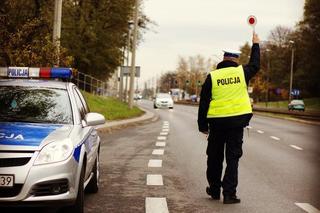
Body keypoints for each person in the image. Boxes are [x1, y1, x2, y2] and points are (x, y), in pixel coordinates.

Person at [197, 32, 260, 204]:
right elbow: (255, 64)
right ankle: (229, 193)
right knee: (233, 159)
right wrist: (255, 44)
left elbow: (203, 103)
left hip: (217, 123)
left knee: (214, 157)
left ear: (223, 59)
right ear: (236, 60)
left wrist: (202, 125)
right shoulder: (242, 73)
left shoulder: (213, 76)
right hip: (236, 124)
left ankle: (215, 189)